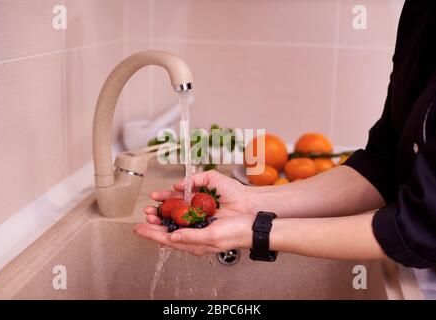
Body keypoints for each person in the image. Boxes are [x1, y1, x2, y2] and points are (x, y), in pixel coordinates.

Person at [135, 0, 436, 269]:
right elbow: (383, 165)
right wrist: (250, 200)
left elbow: (423, 227)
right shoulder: (420, 10)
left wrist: (255, 230)